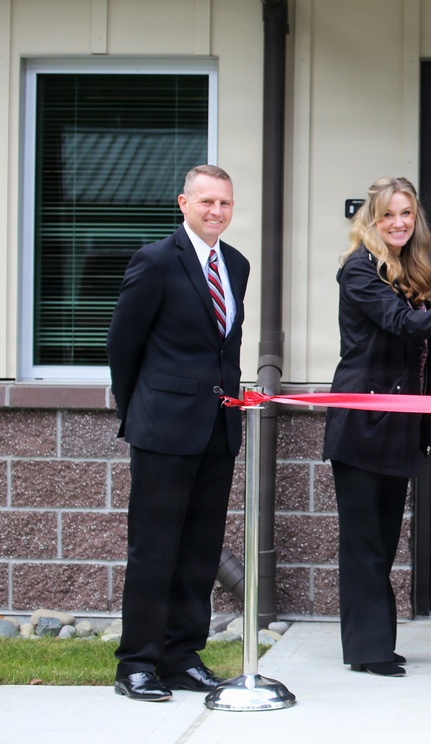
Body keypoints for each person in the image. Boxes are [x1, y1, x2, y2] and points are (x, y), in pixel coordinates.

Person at [322, 177, 431, 678]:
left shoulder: (405, 270)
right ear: (371, 221)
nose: (399, 223)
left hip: (397, 427)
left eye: (406, 214)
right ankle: (367, 650)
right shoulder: (358, 270)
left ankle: (375, 642)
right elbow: (401, 323)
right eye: (387, 215)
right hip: (361, 426)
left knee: (384, 540)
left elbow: (416, 335)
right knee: (364, 544)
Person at [106, 164, 249, 702]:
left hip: (217, 428)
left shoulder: (236, 264)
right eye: (207, 202)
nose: (217, 212)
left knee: (198, 550)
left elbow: (225, 348)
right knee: (154, 550)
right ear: (183, 203)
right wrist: (140, 407)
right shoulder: (156, 260)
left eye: (226, 204)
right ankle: (137, 663)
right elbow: (123, 344)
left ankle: (182, 657)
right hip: (163, 429)